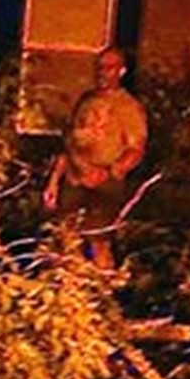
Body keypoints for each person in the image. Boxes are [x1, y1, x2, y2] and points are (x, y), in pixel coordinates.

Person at [43, 46, 148, 271]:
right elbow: (69, 142)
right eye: (100, 67)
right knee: (65, 238)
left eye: (110, 68)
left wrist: (110, 172)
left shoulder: (128, 107)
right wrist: (54, 180)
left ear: (122, 71)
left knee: (99, 241)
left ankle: (104, 290)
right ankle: (70, 293)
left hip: (104, 185)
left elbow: (136, 149)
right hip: (73, 179)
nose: (103, 72)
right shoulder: (86, 101)